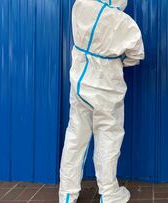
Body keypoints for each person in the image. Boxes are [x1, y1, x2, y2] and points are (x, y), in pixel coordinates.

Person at [59, 0, 144, 202]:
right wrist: (119, 59)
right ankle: (109, 193)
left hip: (80, 80)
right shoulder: (124, 23)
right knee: (108, 138)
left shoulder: (80, 5)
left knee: (75, 138)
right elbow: (136, 55)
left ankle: (67, 194)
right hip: (107, 86)